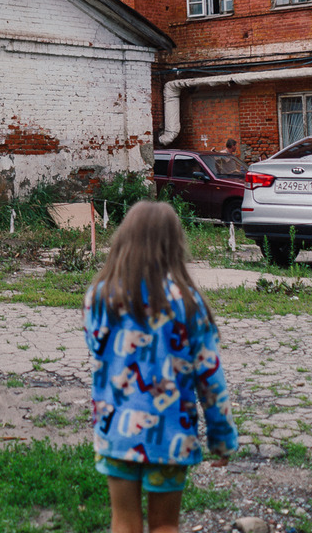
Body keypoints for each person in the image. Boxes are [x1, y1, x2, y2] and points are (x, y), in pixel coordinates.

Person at [83, 201, 237, 533]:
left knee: (123, 522)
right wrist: (221, 439)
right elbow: (211, 380)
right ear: (174, 245)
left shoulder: (99, 296)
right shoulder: (188, 302)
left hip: (115, 433)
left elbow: (97, 353)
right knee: (165, 525)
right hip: (171, 438)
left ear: (123, 239)